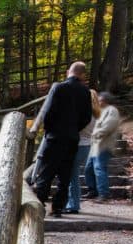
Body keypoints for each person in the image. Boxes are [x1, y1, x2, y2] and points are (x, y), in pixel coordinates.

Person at [31, 62, 92, 217]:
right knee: (65, 175)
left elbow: (48, 112)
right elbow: (86, 117)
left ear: (68, 72)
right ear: (83, 75)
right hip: (72, 139)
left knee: (46, 172)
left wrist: (50, 129)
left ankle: (40, 205)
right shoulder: (86, 91)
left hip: (54, 137)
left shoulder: (59, 87)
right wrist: (73, 129)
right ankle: (57, 208)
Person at [64, 89, 101, 214]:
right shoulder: (96, 115)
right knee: (72, 175)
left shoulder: (84, 114)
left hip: (78, 145)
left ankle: (73, 204)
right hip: (86, 146)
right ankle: (71, 203)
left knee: (72, 176)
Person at [83, 92, 120, 203]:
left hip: (104, 145)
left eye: (100, 100)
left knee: (99, 168)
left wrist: (95, 134)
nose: (98, 102)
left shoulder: (112, 110)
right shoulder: (102, 112)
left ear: (106, 100)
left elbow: (108, 126)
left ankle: (104, 194)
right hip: (95, 145)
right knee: (88, 169)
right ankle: (92, 190)